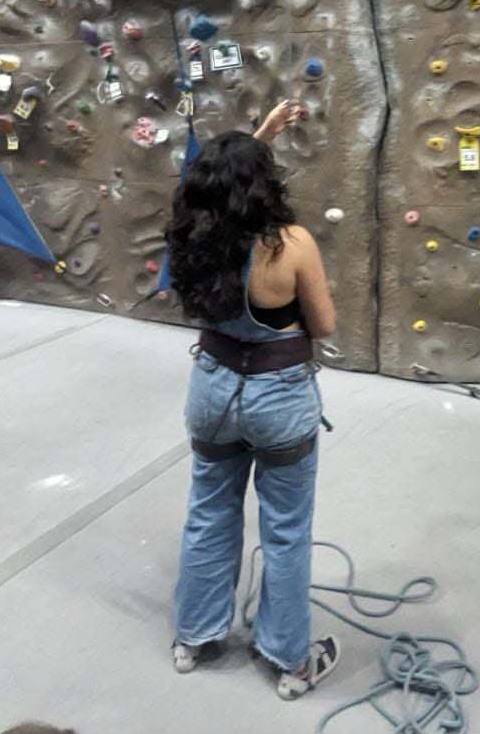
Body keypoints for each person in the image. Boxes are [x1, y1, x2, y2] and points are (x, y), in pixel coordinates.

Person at [168, 100, 340, 702]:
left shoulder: (192, 233)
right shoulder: (291, 244)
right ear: (263, 184)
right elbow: (323, 324)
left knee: (209, 510)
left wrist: (260, 134)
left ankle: (194, 636)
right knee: (286, 529)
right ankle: (290, 660)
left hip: (213, 389)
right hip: (278, 398)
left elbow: (203, 185)